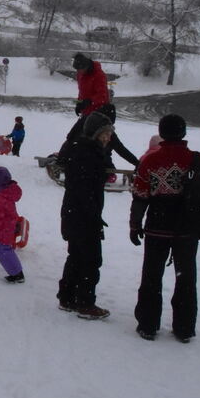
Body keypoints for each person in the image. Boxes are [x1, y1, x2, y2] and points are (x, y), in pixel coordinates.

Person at [130, 114, 200, 342]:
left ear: (162, 132)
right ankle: (184, 327)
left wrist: (135, 225)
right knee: (186, 277)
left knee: (152, 276)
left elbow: (140, 195)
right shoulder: (197, 159)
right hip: (187, 227)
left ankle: (148, 324)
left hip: (157, 226)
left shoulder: (150, 160)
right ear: (183, 133)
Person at [57, 111, 116, 320]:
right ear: (95, 133)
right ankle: (85, 303)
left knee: (76, 256)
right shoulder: (87, 154)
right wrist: (93, 216)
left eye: (109, 134)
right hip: (82, 215)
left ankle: (67, 297)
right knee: (91, 259)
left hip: (76, 213)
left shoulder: (87, 150)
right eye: (105, 134)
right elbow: (83, 190)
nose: (108, 138)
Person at [64, 52, 138, 169]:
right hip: (87, 112)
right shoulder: (80, 74)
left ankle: (137, 164)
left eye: (81, 69)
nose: (80, 72)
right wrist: (80, 104)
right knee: (74, 137)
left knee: (111, 141)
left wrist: (89, 101)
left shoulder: (99, 75)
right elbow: (82, 92)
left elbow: (102, 96)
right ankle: (64, 160)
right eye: (78, 70)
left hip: (100, 113)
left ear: (87, 66)